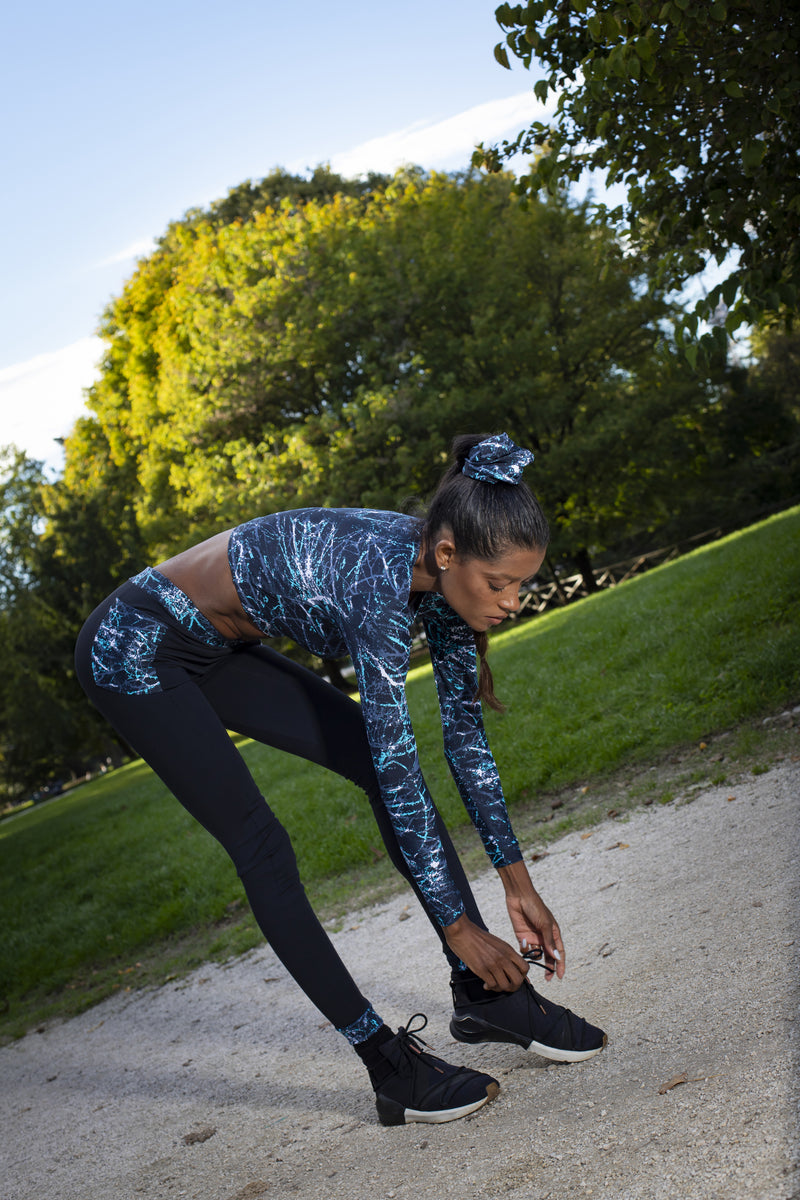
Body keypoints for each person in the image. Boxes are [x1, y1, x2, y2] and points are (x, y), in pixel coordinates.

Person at [75, 432, 606, 1127]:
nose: (510, 602)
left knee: (371, 760)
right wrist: (457, 927)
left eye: (521, 585)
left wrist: (518, 885)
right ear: (448, 555)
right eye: (499, 584)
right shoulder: (377, 586)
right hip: (135, 646)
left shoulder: (443, 583)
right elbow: (400, 772)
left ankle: (485, 998)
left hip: (218, 642)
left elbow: (464, 745)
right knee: (263, 843)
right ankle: (387, 1065)